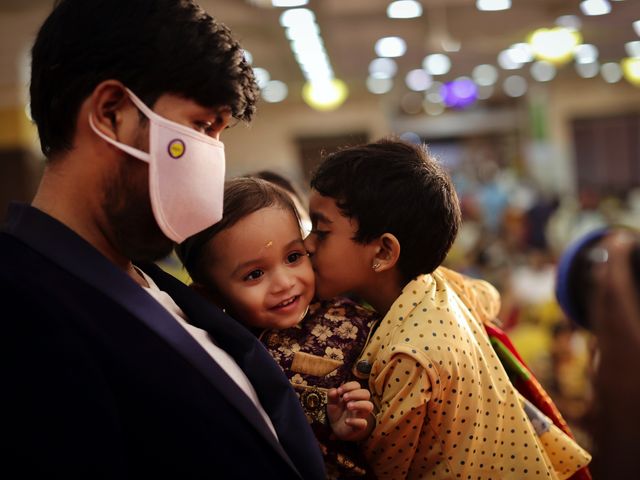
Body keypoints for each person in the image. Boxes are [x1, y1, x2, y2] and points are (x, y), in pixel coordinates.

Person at [0, 1, 326, 478]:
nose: (214, 154)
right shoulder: (20, 306)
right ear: (111, 113)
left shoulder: (149, 280)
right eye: (201, 126)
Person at [304, 138, 592, 479]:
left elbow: (387, 468)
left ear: (383, 253)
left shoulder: (408, 354)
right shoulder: (438, 284)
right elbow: (487, 296)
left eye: (321, 231)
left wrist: (356, 430)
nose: (306, 244)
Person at [176, 177, 380, 479]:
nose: (285, 283)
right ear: (211, 296)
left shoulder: (355, 323)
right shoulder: (217, 354)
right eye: (255, 274)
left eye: (294, 257)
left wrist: (358, 424)